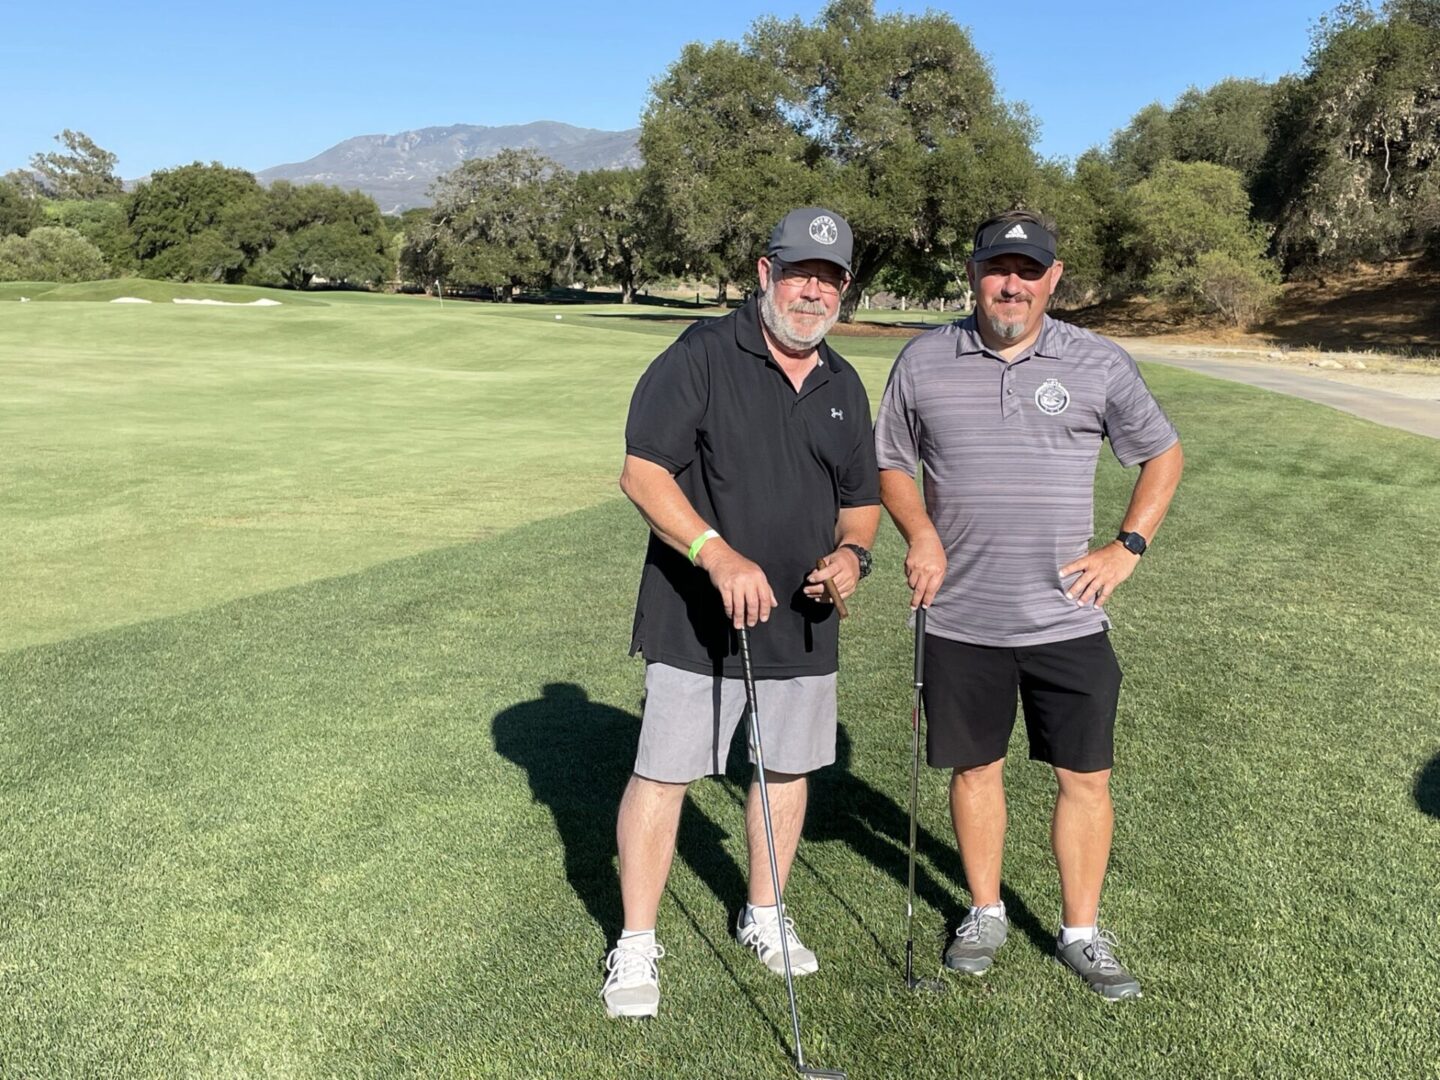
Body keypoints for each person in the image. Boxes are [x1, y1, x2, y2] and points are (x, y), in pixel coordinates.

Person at [874, 209, 1183, 1001]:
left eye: (1027, 270)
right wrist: (918, 532)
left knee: (1085, 776)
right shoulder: (923, 359)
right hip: (957, 616)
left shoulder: (1098, 362)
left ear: (1053, 278)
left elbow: (1161, 452)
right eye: (995, 268)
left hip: (1066, 618)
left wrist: (1128, 546)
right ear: (972, 273)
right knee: (976, 770)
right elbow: (892, 462)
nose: (1010, 284)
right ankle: (984, 911)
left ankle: (1080, 932)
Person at [601, 207, 881, 1019]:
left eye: (828, 279)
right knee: (664, 776)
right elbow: (643, 473)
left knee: (785, 772)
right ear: (765, 273)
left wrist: (852, 559)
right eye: (798, 273)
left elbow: (860, 505)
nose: (811, 292)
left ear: (843, 290)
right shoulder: (703, 354)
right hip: (695, 618)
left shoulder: (843, 382)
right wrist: (716, 554)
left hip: (802, 620)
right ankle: (638, 943)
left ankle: (764, 915)